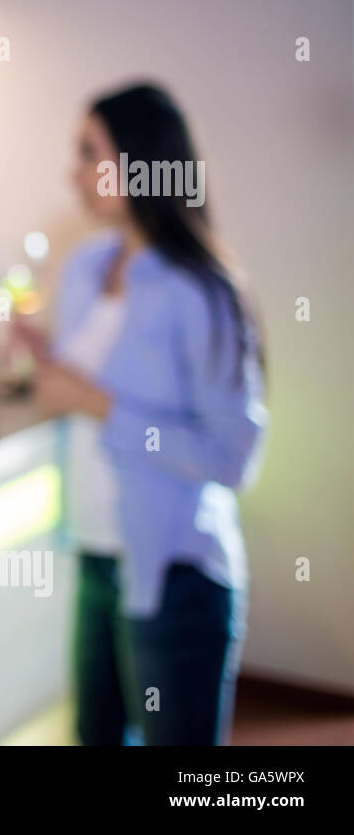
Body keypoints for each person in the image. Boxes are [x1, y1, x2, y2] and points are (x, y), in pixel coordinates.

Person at [14, 82, 268, 745]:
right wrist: (42, 359)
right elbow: (70, 385)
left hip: (175, 574)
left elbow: (231, 456)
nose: (74, 171)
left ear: (141, 161)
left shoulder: (203, 293)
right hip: (98, 561)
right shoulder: (86, 267)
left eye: (88, 151)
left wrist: (96, 403)